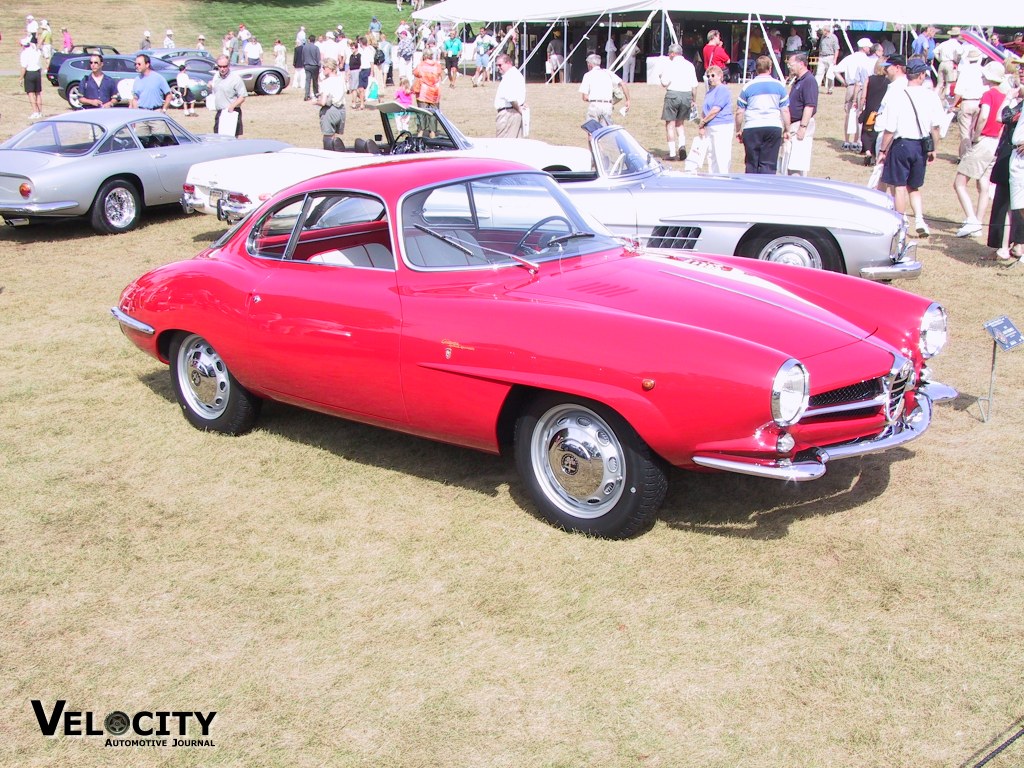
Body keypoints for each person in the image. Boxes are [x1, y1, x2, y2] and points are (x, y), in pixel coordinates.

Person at [876, 59, 944, 237]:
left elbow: (890, 129)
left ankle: (901, 221)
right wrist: (934, 148)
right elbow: (936, 127)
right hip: (921, 144)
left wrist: (883, 151)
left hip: (901, 143)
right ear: (921, 75)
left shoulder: (897, 95)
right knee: (914, 187)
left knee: (899, 186)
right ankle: (920, 219)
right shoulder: (931, 96)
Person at [954, 62, 1009, 237]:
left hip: (984, 140)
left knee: (959, 182)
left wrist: (976, 135)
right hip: (995, 143)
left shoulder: (988, 95)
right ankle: (977, 219)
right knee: (983, 183)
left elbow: (984, 115)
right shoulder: (1005, 95)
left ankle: (972, 219)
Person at [735, 55, 791, 174]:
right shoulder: (779, 86)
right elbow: (785, 110)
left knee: (751, 163)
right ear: (770, 68)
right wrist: (787, 129)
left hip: (752, 126)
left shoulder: (748, 87)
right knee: (769, 164)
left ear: (756, 69)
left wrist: (738, 130)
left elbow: (740, 111)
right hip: (773, 126)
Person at [659, 43, 698, 161]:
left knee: (670, 124)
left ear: (672, 53)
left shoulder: (670, 65)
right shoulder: (690, 65)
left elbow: (665, 83)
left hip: (673, 94)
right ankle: (682, 146)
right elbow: (694, 85)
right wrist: (693, 100)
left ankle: (672, 153)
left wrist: (660, 76)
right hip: (686, 95)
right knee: (680, 123)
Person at [783, 52, 818, 176]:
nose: (789, 67)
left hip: (800, 125)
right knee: (789, 163)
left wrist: (803, 127)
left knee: (797, 164)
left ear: (801, 64)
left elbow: (809, 105)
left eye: (791, 64)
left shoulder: (809, 81)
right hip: (793, 125)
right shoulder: (798, 80)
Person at [696, 65, 733, 173]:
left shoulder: (722, 89)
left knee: (721, 154)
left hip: (722, 125)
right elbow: (705, 109)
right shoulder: (709, 92)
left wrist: (703, 121)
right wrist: (702, 125)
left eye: (713, 75)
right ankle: (712, 177)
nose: (710, 78)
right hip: (710, 126)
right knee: (711, 154)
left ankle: (723, 177)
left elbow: (716, 109)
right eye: (708, 76)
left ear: (720, 76)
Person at [580, 53, 628, 127]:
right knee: (605, 133)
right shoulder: (608, 73)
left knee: (592, 132)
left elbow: (585, 97)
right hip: (607, 106)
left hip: (594, 105)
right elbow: (623, 84)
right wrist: (628, 100)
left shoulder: (588, 75)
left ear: (590, 64)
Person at [954, 46, 985, 159]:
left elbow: (958, 90)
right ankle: (971, 153)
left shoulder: (965, 71)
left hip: (967, 102)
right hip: (979, 102)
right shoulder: (982, 71)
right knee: (974, 131)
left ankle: (965, 155)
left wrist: (953, 104)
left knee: (965, 132)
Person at [210, 56, 246, 137]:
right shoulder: (216, 77)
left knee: (232, 140)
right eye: (220, 66)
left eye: (225, 66)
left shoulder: (235, 78)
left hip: (232, 112)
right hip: (220, 112)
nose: (222, 69)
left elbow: (242, 96)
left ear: (229, 65)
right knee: (218, 138)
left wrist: (232, 106)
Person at [317, 58, 347, 151]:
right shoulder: (341, 79)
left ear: (329, 68)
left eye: (324, 67)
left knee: (328, 138)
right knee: (334, 138)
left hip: (330, 110)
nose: (322, 69)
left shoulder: (326, 82)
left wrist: (314, 101)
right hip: (341, 110)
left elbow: (323, 102)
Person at [494, 53, 525, 138]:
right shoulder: (513, 74)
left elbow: (511, 98)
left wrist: (519, 109)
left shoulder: (511, 76)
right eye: (497, 65)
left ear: (508, 63)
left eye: (500, 65)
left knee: (504, 145)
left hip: (508, 114)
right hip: (512, 113)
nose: (498, 68)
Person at [934, 27, 963, 99]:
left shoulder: (944, 43)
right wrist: (957, 61)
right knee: (948, 84)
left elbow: (935, 51)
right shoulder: (957, 45)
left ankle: (934, 96)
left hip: (942, 63)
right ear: (958, 35)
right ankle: (945, 98)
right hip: (950, 63)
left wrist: (940, 59)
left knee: (939, 83)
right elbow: (960, 53)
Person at [20, 37, 44, 119]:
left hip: (29, 73)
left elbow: (24, 67)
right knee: (38, 93)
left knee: (30, 94)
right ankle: (40, 112)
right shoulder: (36, 51)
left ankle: (35, 112)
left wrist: (20, 78)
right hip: (37, 72)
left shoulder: (24, 53)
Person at [816, 26, 839, 94]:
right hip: (822, 57)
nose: (822, 32)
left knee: (830, 75)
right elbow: (820, 47)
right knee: (819, 73)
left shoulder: (833, 37)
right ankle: (816, 88)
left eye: (823, 30)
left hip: (830, 57)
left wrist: (835, 59)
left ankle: (830, 89)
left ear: (826, 31)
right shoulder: (822, 37)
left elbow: (836, 49)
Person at [301, 30, 322, 101]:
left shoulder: (304, 47)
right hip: (314, 66)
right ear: (314, 40)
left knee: (307, 81)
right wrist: (319, 66)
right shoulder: (316, 48)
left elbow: (303, 57)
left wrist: (304, 64)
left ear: (309, 40)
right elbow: (318, 58)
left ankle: (307, 95)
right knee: (315, 81)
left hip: (307, 65)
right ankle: (316, 93)